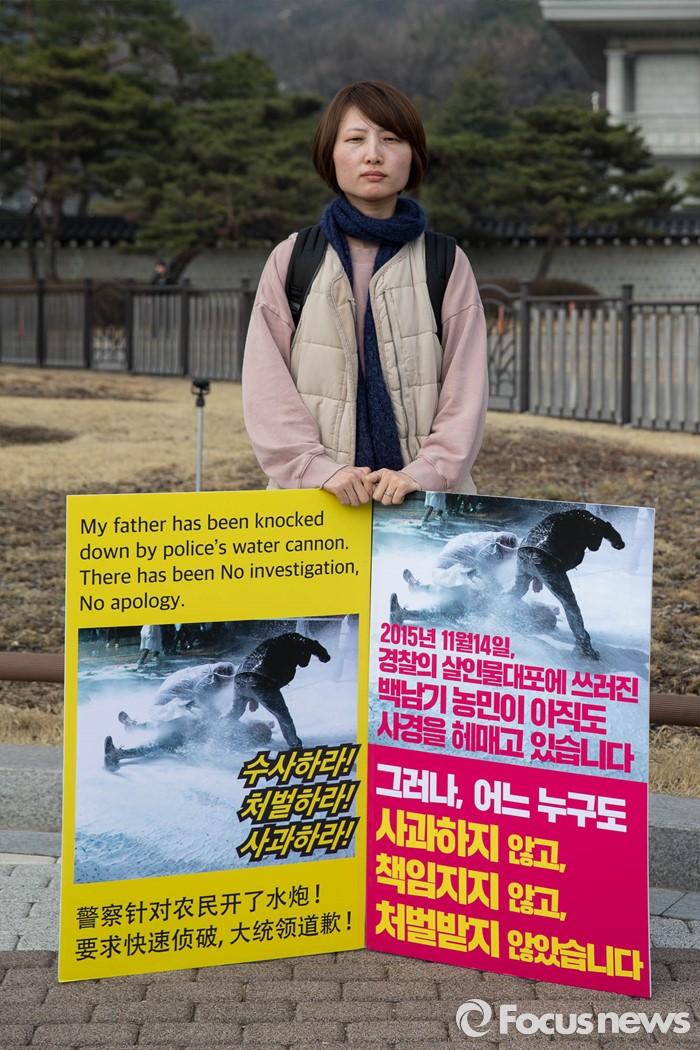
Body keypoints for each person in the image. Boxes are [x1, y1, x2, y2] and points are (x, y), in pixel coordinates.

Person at [242, 80, 488, 508]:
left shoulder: (445, 261)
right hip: (314, 501)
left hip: (423, 502)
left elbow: (466, 388)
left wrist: (424, 473)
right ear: (330, 154)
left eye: (391, 139)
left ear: (413, 156)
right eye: (355, 139)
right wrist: (318, 469)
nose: (373, 154)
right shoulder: (294, 258)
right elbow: (266, 385)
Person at [508, 508, 625, 660]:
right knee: (570, 604)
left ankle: (495, 614)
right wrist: (618, 542)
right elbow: (608, 531)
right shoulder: (591, 521)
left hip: (524, 552)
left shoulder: (563, 518)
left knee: (518, 590)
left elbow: (538, 545)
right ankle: (583, 647)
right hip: (545, 559)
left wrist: (536, 577)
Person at [226, 632, 331, 749]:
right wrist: (324, 655)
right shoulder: (301, 642)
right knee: (283, 716)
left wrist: (252, 697)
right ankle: (295, 746)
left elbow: (253, 671)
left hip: (240, 678)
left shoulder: (274, 643)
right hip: (259, 682)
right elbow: (311, 645)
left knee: (236, 711)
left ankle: (218, 730)